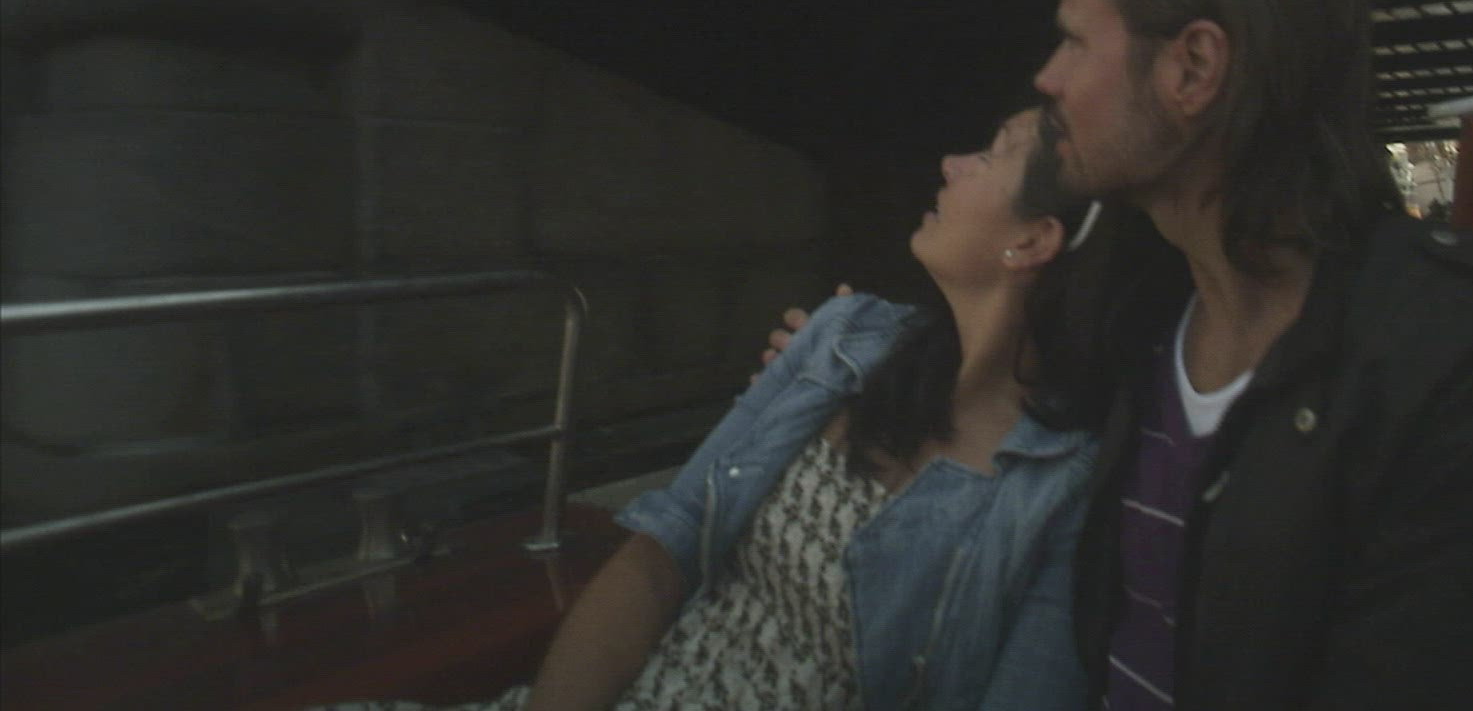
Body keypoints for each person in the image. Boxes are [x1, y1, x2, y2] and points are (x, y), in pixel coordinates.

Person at [777, 0, 1473, 709]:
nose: (1048, 78)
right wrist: (834, 370)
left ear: (1193, 68)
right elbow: (989, 373)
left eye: (1074, 42)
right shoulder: (1134, 317)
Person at [325, 108, 1140, 711]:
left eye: (991, 155)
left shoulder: (1057, 491)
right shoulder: (846, 337)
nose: (952, 162)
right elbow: (664, 549)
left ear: (1032, 241)